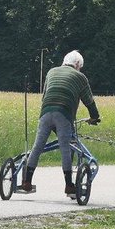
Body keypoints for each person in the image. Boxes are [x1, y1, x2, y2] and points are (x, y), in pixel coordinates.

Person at [20, 50, 100, 195]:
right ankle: (69, 185)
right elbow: (89, 101)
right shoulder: (80, 77)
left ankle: (27, 182)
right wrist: (94, 117)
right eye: (80, 66)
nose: (79, 69)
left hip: (45, 112)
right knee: (66, 147)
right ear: (77, 64)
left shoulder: (51, 72)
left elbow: (44, 95)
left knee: (37, 147)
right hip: (63, 114)